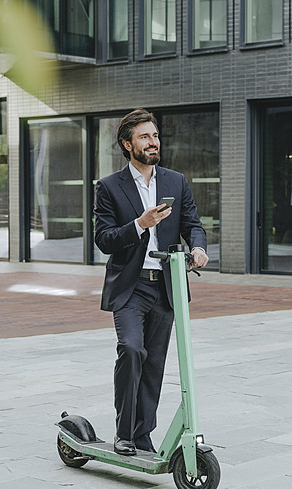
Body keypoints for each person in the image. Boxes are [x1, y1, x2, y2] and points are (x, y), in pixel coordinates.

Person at [94, 109, 208, 456]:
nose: (153, 142)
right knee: (131, 350)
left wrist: (199, 247)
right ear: (127, 144)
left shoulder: (176, 181)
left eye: (155, 136)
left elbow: (193, 223)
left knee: (154, 361)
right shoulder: (110, 187)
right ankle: (124, 432)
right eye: (145, 137)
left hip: (166, 285)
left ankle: (142, 435)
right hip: (131, 286)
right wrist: (140, 224)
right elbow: (104, 239)